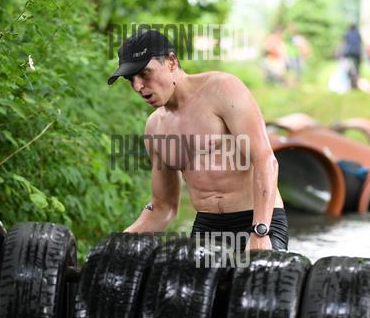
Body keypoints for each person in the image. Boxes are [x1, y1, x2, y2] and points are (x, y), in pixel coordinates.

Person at [108, 30, 288, 251]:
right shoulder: (155, 127)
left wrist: (260, 231)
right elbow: (163, 206)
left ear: (171, 62)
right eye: (130, 79)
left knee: (254, 273)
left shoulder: (222, 89)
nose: (137, 86)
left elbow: (265, 160)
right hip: (207, 226)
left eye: (145, 73)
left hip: (259, 219)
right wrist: (118, 244)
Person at [343, 23, 362, 89]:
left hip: (349, 53)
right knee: (357, 68)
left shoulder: (347, 33)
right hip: (357, 53)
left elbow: (345, 43)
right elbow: (360, 43)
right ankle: (355, 83)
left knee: (349, 68)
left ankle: (350, 83)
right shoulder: (358, 33)